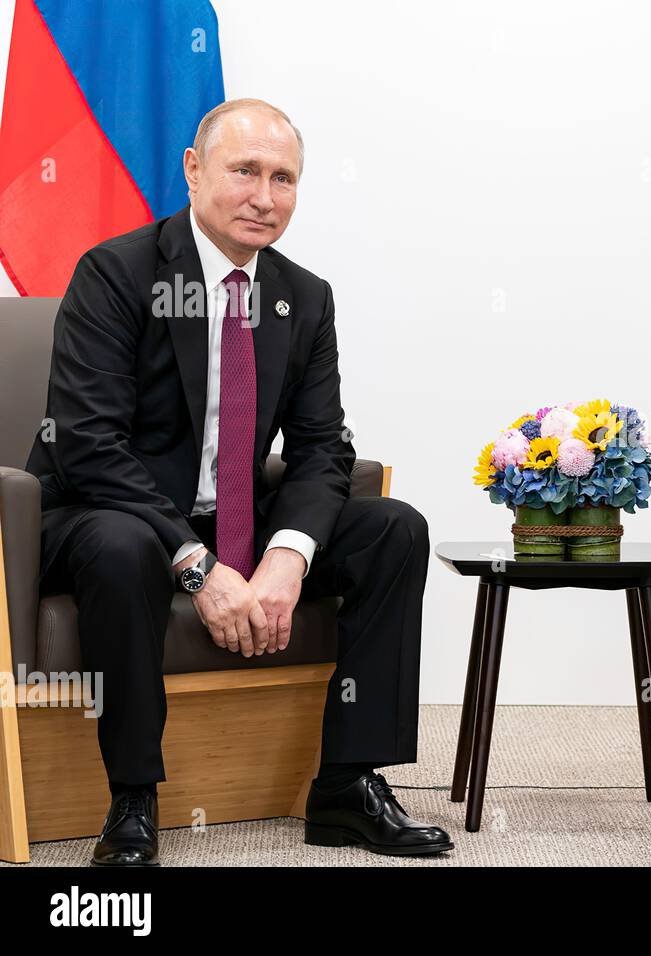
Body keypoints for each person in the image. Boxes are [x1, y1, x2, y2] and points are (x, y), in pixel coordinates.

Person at [26, 98, 452, 865]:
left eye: (284, 177)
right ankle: (132, 799)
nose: (265, 196)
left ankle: (347, 785)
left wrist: (286, 558)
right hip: (97, 514)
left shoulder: (304, 295)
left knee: (395, 527)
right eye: (245, 171)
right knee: (125, 546)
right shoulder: (117, 273)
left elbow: (323, 446)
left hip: (232, 517)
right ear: (193, 172)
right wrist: (198, 566)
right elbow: (87, 445)